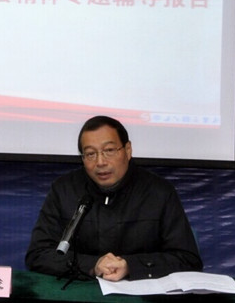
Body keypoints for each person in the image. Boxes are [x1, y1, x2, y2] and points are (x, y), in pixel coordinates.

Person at [25, 115, 203, 281]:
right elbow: (38, 254)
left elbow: (187, 259)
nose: (100, 162)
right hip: (82, 289)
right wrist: (92, 265)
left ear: (128, 150)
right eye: (90, 154)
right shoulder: (64, 190)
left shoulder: (159, 192)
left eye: (109, 150)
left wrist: (131, 266)